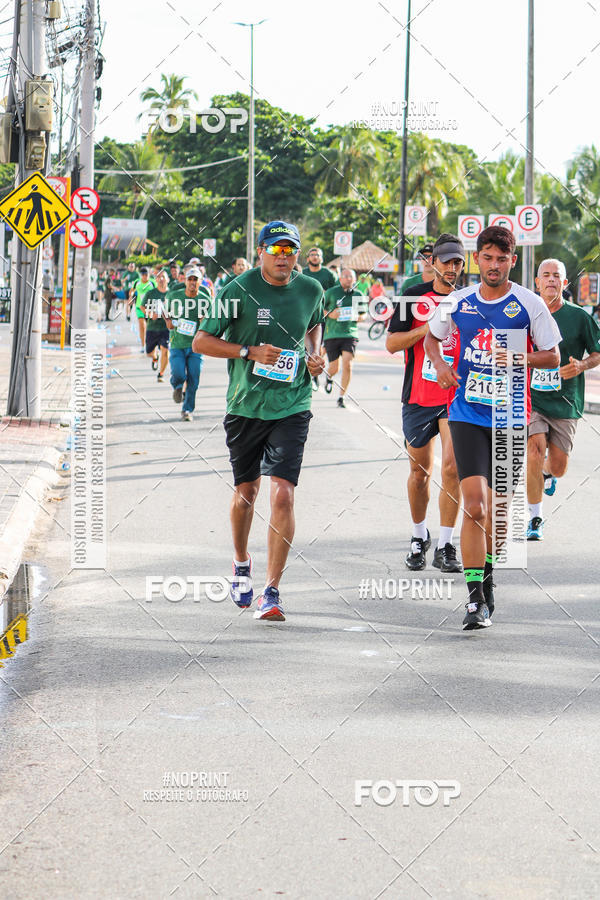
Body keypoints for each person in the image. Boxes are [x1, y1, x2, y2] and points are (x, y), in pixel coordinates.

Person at [424, 226, 561, 630]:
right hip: (466, 414)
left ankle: (488, 580)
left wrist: (520, 360)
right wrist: (443, 366)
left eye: (502, 259)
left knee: (499, 515)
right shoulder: (458, 301)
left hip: (509, 418)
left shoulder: (529, 304)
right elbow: (433, 339)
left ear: (512, 262)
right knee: (476, 505)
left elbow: (553, 357)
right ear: (477, 260)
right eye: (487, 257)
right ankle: (473, 600)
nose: (494, 265)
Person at [193, 220, 325, 622]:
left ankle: (272, 591)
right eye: (276, 249)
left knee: (283, 494)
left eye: (290, 250)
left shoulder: (311, 290)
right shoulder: (237, 290)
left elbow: (315, 326)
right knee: (246, 493)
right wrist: (249, 351)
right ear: (261, 252)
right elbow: (201, 341)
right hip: (245, 406)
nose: (283, 257)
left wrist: (316, 356)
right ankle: (240, 561)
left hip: (293, 402)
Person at [386, 234, 465, 573]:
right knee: (420, 474)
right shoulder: (413, 296)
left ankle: (446, 544)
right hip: (418, 396)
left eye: (458, 262)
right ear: (433, 262)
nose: (452, 268)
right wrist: (427, 331)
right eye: (446, 261)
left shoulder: (469, 299)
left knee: (453, 468)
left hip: (456, 397)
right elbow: (391, 343)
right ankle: (419, 536)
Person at [526, 259, 600, 540]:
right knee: (534, 448)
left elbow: (597, 352)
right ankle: (535, 518)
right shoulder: (526, 314)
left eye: (556, 276)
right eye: (545, 275)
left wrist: (581, 366)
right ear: (537, 283)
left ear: (564, 283)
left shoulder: (579, 317)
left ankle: (547, 473)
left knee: (558, 466)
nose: (551, 280)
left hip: (566, 401)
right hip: (532, 399)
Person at [164, 267, 209, 421]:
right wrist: (168, 322)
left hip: (197, 346)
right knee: (179, 374)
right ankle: (177, 387)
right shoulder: (175, 296)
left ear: (200, 282)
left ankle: (187, 410)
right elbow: (164, 310)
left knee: (194, 379)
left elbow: (213, 320)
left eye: (195, 279)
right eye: (190, 279)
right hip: (177, 343)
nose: (192, 282)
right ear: (185, 281)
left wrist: (205, 323)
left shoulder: (205, 299)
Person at [323, 267, 365, 408]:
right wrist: (330, 313)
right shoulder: (331, 293)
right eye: (345, 276)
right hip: (332, 334)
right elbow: (319, 309)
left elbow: (364, 313)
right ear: (340, 278)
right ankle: (329, 377)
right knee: (334, 367)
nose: (348, 278)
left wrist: (359, 317)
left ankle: (341, 397)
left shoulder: (358, 294)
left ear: (354, 279)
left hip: (350, 334)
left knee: (348, 364)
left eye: (350, 276)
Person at [303, 246, 336, 384]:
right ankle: (311, 372)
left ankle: (315, 369)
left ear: (322, 258)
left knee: (319, 346)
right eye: (312, 254)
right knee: (305, 345)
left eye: (318, 254)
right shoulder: (303, 273)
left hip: (322, 316)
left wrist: (328, 309)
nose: (315, 256)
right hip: (304, 313)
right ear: (307, 258)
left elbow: (336, 294)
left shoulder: (329, 275)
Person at [143, 269, 171, 382]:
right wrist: (150, 313)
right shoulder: (151, 293)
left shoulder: (172, 294)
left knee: (165, 350)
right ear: (156, 280)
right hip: (152, 327)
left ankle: (161, 373)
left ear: (168, 279)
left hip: (166, 328)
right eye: (159, 277)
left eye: (164, 277)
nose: (162, 279)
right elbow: (142, 307)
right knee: (149, 352)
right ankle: (155, 357)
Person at [130, 267, 155, 351]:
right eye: (143, 275)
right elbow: (132, 290)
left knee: (150, 327)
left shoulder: (152, 282)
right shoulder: (137, 282)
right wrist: (131, 296)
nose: (145, 276)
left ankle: (151, 343)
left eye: (146, 275)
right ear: (141, 275)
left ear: (149, 274)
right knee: (142, 326)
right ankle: (143, 345)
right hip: (139, 307)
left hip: (150, 308)